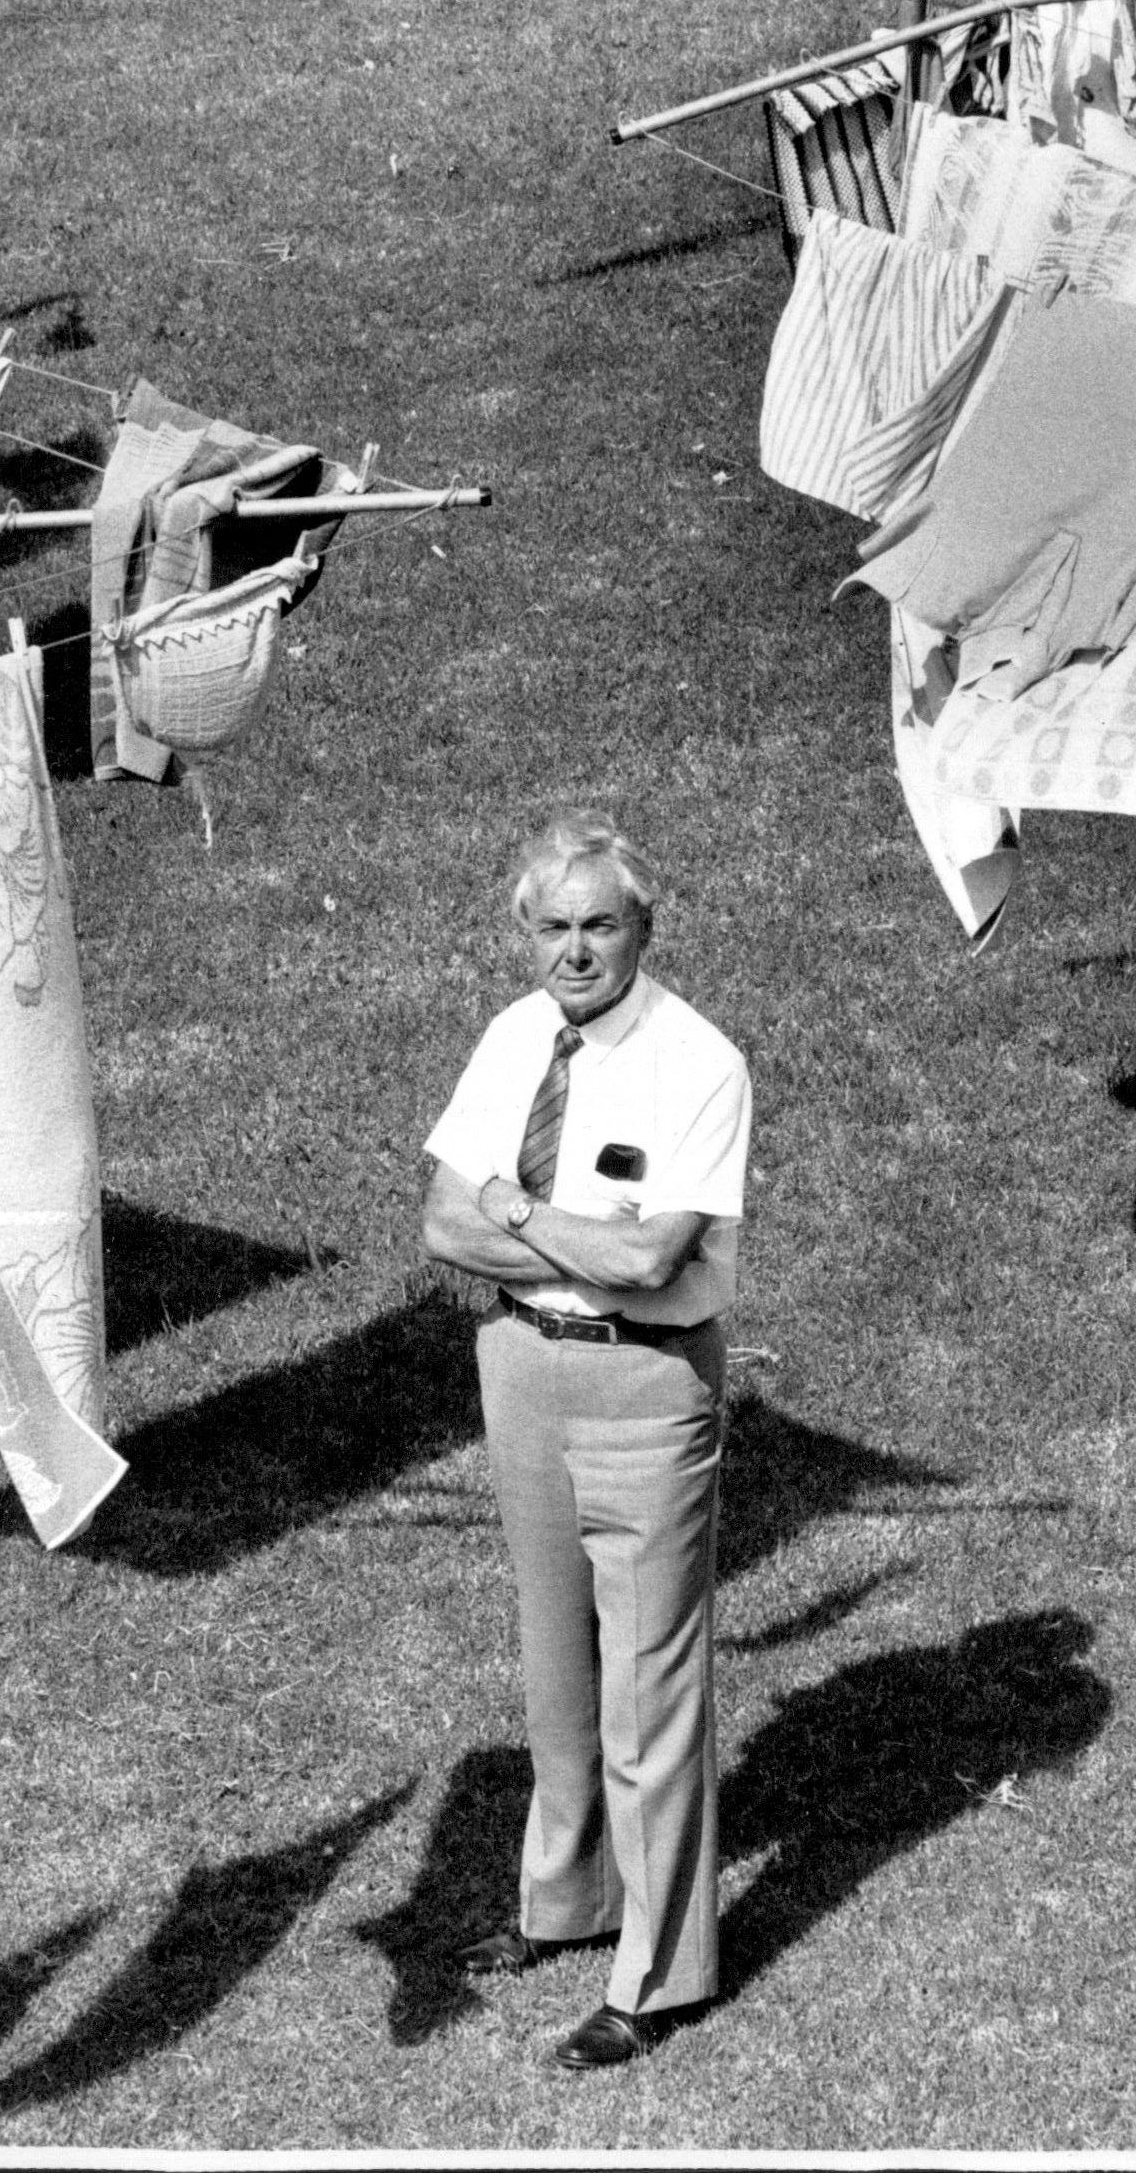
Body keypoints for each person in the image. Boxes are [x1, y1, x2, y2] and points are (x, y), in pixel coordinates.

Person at [418, 809, 752, 2071]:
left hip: (644, 1392)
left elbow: (651, 1256)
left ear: (643, 929)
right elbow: (443, 1225)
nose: (574, 951)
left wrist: (513, 1206)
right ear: (524, 933)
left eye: (599, 925)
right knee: (555, 1666)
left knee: (649, 1689)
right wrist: (550, 1229)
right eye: (552, 927)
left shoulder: (698, 1062)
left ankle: (660, 1978)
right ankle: (565, 1906)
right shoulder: (516, 1036)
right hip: (520, 1366)